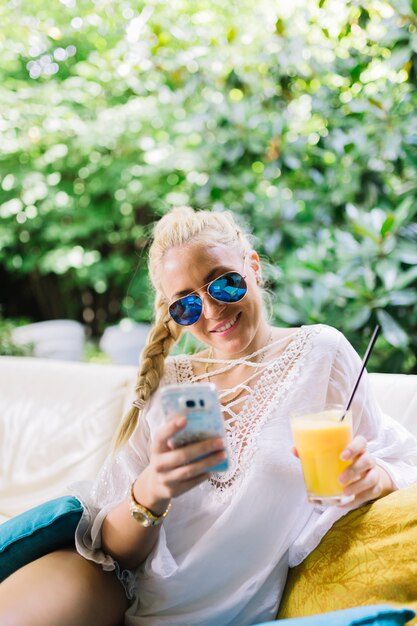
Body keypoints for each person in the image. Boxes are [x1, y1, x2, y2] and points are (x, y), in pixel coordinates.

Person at [1, 206, 417, 626]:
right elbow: (112, 549)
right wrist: (152, 490)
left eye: (224, 283)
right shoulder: (168, 382)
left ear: (252, 267)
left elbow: (398, 460)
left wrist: (372, 479)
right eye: (186, 304)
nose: (212, 310)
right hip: (113, 585)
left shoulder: (320, 353)